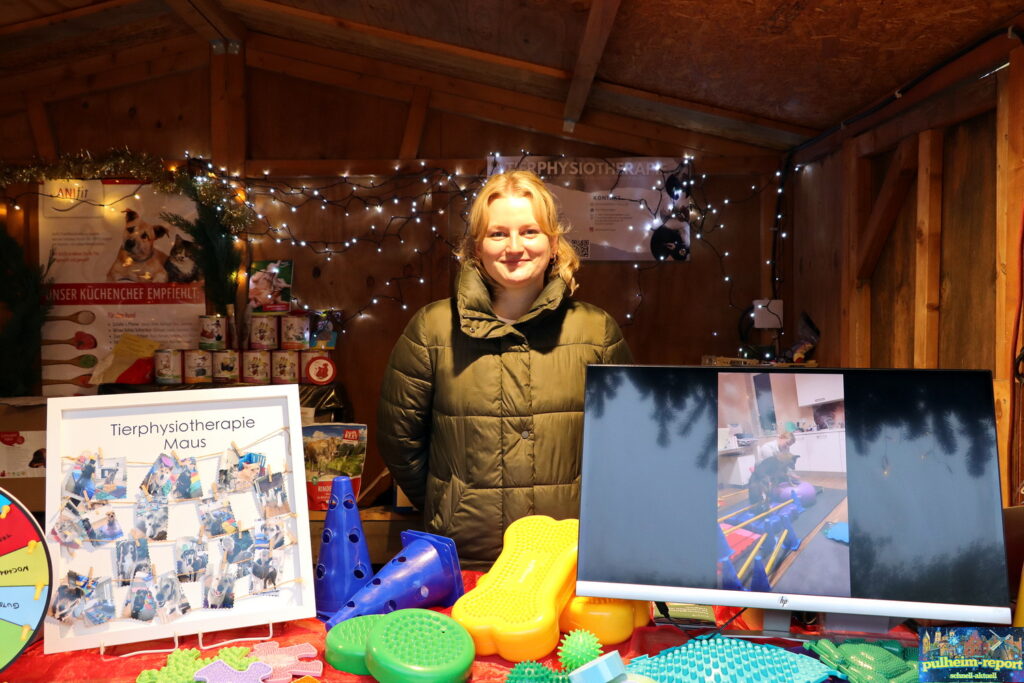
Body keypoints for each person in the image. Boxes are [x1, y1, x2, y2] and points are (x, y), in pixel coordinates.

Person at [378, 170, 633, 568]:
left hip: (566, 557)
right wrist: (453, 500)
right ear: (477, 246)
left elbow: (623, 444)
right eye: (498, 234)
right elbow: (400, 441)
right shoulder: (432, 329)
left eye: (529, 231)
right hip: (463, 557)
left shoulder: (596, 330)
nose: (514, 247)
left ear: (553, 243)